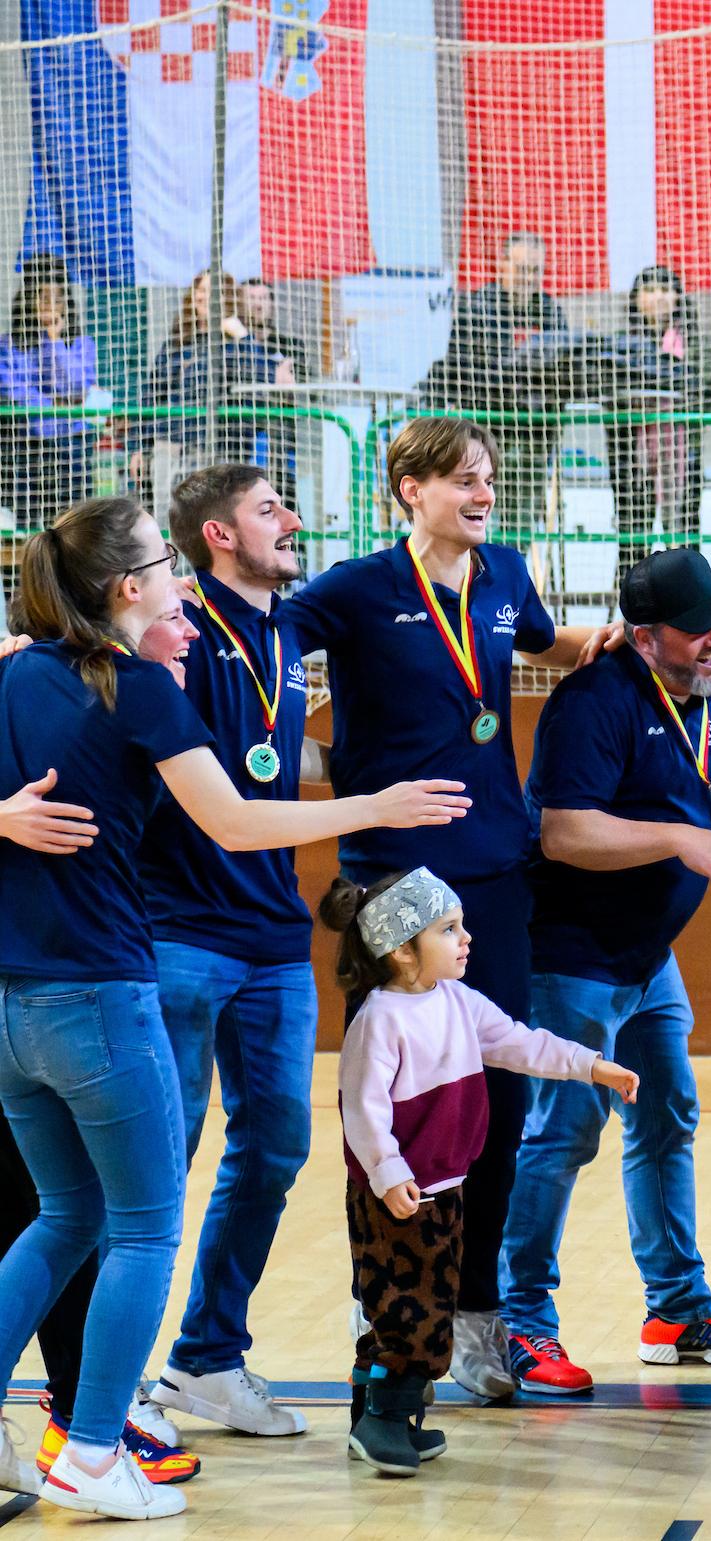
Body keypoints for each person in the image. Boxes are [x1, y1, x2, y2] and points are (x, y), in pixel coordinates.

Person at [0, 498, 466, 1520]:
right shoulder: (136, 688)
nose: (176, 576)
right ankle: (88, 1449)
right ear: (131, 587)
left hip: (15, 1011)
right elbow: (238, 819)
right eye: (164, 562)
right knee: (141, 1227)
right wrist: (377, 806)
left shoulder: (17, 673)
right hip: (103, 997)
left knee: (64, 1216)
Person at [282, 415, 607, 1404]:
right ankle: (390, 1303)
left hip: (494, 875)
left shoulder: (506, 573)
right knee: (400, 1103)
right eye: (462, 477)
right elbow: (257, 659)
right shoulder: (354, 589)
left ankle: (474, 1317)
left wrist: (627, 636)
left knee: (494, 1105)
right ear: (408, 490)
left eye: (489, 477)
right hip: (395, 878)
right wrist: (327, 767)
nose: (482, 491)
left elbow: (555, 644)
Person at [501, 548, 711, 1395]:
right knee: (563, 1131)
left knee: (666, 1112)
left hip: (647, 955)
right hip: (572, 956)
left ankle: (678, 1309)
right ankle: (520, 1323)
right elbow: (564, 834)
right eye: (697, 630)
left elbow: (692, 795)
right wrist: (679, 841)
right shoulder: (592, 701)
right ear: (647, 635)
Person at [126, 466, 323, 1440]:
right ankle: (102, 1379)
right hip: (179, 935)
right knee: (153, 1162)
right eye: (268, 508)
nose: (290, 519)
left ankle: (205, 1357)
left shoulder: (290, 629)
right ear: (216, 533)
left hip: (278, 939)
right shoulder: (177, 633)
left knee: (278, 1142)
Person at [328, 868, 638, 1477]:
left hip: (445, 1191)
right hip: (395, 1198)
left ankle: (381, 1415)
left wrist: (591, 1066)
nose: (466, 938)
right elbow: (361, 1111)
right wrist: (389, 1175)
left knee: (429, 1309)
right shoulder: (378, 1019)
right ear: (401, 948)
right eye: (449, 929)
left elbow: (522, 1044)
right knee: (403, 1314)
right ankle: (381, 1422)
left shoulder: (459, 1004)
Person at [424, 233, 568, 544]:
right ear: (502, 266)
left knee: (521, 517)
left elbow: (563, 370)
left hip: (532, 433)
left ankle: (511, 578)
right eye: (521, 268)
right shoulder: (477, 307)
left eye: (534, 270)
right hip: (483, 429)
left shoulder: (550, 311)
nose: (527, 278)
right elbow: (457, 367)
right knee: (476, 512)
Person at [604, 265, 711, 591]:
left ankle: (688, 619)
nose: (659, 297)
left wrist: (673, 402)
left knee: (683, 540)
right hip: (632, 460)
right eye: (651, 290)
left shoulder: (695, 343)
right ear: (636, 299)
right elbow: (608, 395)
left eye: (666, 290)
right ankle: (628, 619)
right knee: (632, 544)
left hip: (684, 459)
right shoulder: (620, 343)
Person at [141, 270, 293, 499]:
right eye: (201, 290)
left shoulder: (238, 345)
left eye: (216, 292)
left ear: (228, 299)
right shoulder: (176, 344)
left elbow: (266, 378)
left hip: (224, 451)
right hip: (172, 448)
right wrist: (139, 449)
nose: (206, 297)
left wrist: (241, 335)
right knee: (171, 520)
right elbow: (151, 395)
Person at [0, 257, 96, 521]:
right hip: (27, 443)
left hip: (72, 442)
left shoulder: (81, 343)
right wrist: (58, 405)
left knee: (72, 518)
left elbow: (79, 384)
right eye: (43, 296)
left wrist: (54, 342)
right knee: (28, 518)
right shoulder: (10, 344)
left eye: (58, 297)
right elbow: (15, 390)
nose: (50, 304)